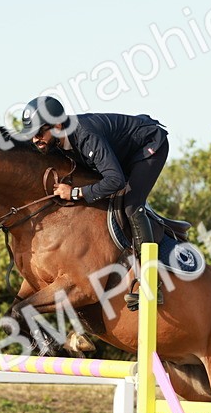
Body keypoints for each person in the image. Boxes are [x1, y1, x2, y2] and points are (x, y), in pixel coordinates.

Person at [14, 95, 169, 306]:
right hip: (122, 152)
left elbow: (115, 180)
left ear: (57, 125)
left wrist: (76, 193)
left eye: (39, 132)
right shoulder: (56, 142)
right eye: (31, 134)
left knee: (131, 204)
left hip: (150, 145)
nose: (35, 139)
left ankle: (151, 283)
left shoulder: (85, 135)